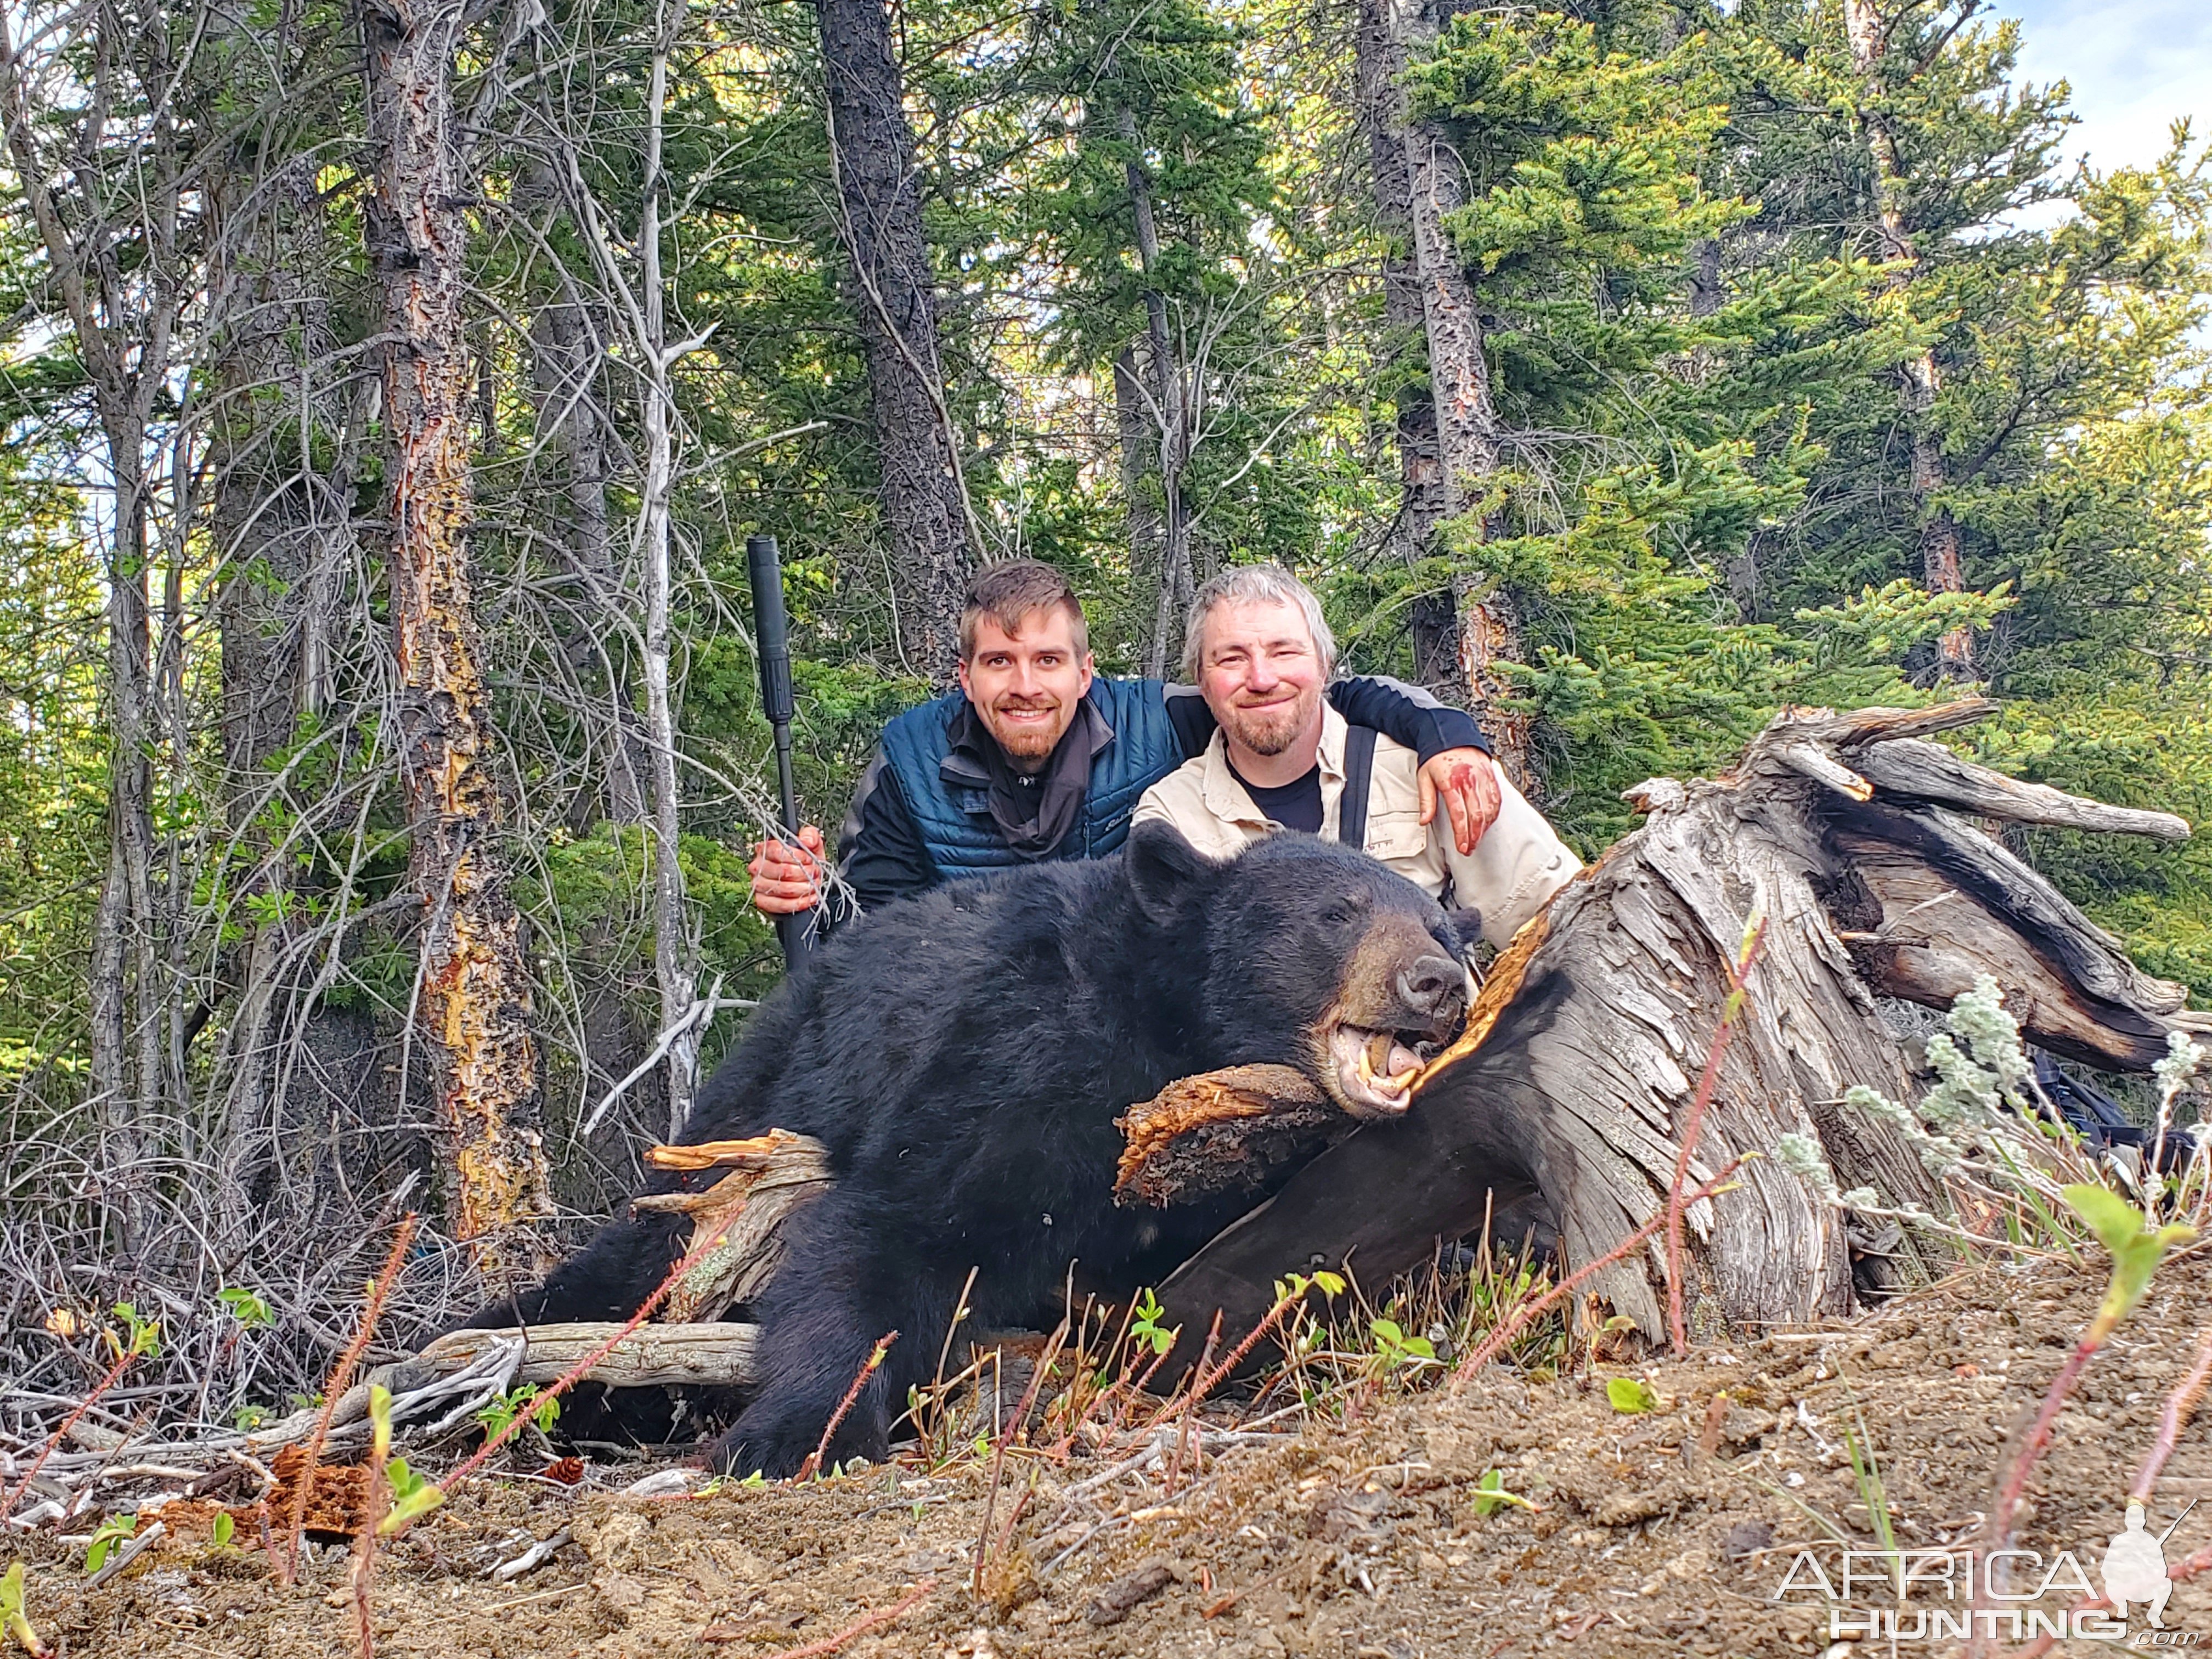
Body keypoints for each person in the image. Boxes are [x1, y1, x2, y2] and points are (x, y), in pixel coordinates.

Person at [746, 560, 1504, 932]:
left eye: (1048, 661)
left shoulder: (1160, 720)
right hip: (974, 1010)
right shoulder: (909, 760)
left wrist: (1445, 737)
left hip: (1113, 1006)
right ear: (964, 677)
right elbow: (870, 926)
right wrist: (804, 898)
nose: (1025, 686)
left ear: (1085, 672)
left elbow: (1302, 699)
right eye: (998, 663)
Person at [1132, 565, 1580, 948]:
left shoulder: (1427, 773)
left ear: (1324, 665)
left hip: (1443, 1043)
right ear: (1202, 680)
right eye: (1231, 659)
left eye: (1284, 651)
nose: (1262, 678)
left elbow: (1561, 929)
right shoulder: (1172, 814)